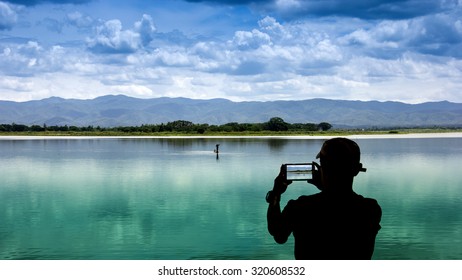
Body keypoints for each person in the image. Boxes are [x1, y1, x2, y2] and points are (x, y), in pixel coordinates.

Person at [266, 137, 382, 259]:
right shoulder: (370, 209)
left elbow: (278, 235)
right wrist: (325, 186)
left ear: (322, 166)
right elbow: (338, 203)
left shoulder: (301, 207)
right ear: (357, 170)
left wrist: (276, 193)